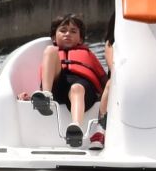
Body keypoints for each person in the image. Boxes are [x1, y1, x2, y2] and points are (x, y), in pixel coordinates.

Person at [27, 13, 109, 148]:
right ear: (54, 37)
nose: (67, 34)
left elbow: (105, 80)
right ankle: (46, 96)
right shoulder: (52, 52)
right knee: (50, 50)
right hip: (57, 88)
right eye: (63, 30)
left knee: (77, 88)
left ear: (80, 39)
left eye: (73, 31)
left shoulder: (88, 55)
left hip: (83, 91)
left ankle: (76, 127)